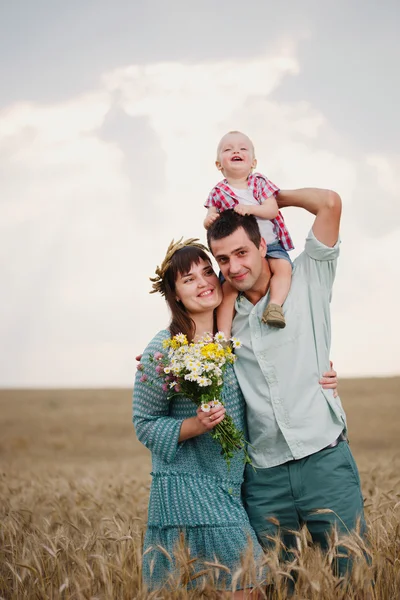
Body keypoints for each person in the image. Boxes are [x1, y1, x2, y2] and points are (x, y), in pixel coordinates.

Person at [132, 238, 339, 595]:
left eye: (207, 271)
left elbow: (272, 373)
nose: (203, 282)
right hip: (189, 486)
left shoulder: (231, 339)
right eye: (189, 279)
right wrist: (195, 425)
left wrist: (322, 374)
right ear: (175, 295)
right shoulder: (163, 348)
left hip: (232, 485)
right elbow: (144, 424)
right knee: (251, 587)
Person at [206, 189, 366, 577]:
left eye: (242, 252)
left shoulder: (308, 278)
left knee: (355, 577)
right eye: (223, 259)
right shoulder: (221, 319)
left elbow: (329, 203)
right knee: (280, 585)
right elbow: (183, 342)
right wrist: (160, 362)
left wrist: (274, 196)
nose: (234, 267)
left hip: (324, 459)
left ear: (264, 245)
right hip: (264, 477)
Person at [204, 131, 293, 333]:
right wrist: (209, 219)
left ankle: (275, 306)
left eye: (243, 148)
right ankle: (223, 336)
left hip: (270, 244)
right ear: (219, 165)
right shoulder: (218, 191)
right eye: (228, 149)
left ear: (253, 162)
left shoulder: (260, 183)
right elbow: (210, 215)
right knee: (227, 290)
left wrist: (251, 209)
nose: (236, 151)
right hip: (240, 248)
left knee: (283, 269)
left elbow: (272, 210)